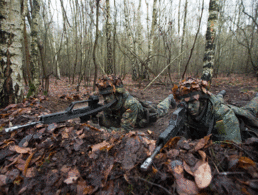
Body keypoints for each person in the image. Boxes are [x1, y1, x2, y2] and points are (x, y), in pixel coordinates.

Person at [171, 77, 258, 143]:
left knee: (249, 110)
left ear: (203, 101)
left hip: (225, 112)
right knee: (218, 98)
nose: (189, 107)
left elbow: (231, 148)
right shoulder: (187, 110)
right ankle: (220, 94)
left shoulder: (224, 116)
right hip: (213, 103)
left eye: (193, 102)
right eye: (186, 103)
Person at [91, 75, 176, 132]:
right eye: (104, 95)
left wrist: (102, 130)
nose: (106, 98)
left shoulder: (130, 104)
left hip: (144, 117)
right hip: (127, 115)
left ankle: (170, 97)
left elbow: (125, 130)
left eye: (108, 95)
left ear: (116, 93)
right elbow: (109, 121)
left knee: (161, 109)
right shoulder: (109, 102)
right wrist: (97, 119)